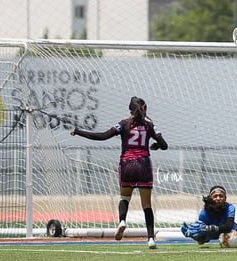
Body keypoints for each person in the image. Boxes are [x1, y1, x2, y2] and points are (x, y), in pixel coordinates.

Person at [70, 96, 168, 249]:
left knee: (124, 197)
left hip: (127, 165)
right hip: (144, 165)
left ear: (130, 110)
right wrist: (155, 146)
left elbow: (102, 136)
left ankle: (122, 221)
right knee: (147, 205)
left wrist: (78, 131)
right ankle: (150, 239)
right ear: (145, 109)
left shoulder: (123, 124)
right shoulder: (150, 126)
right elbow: (164, 145)